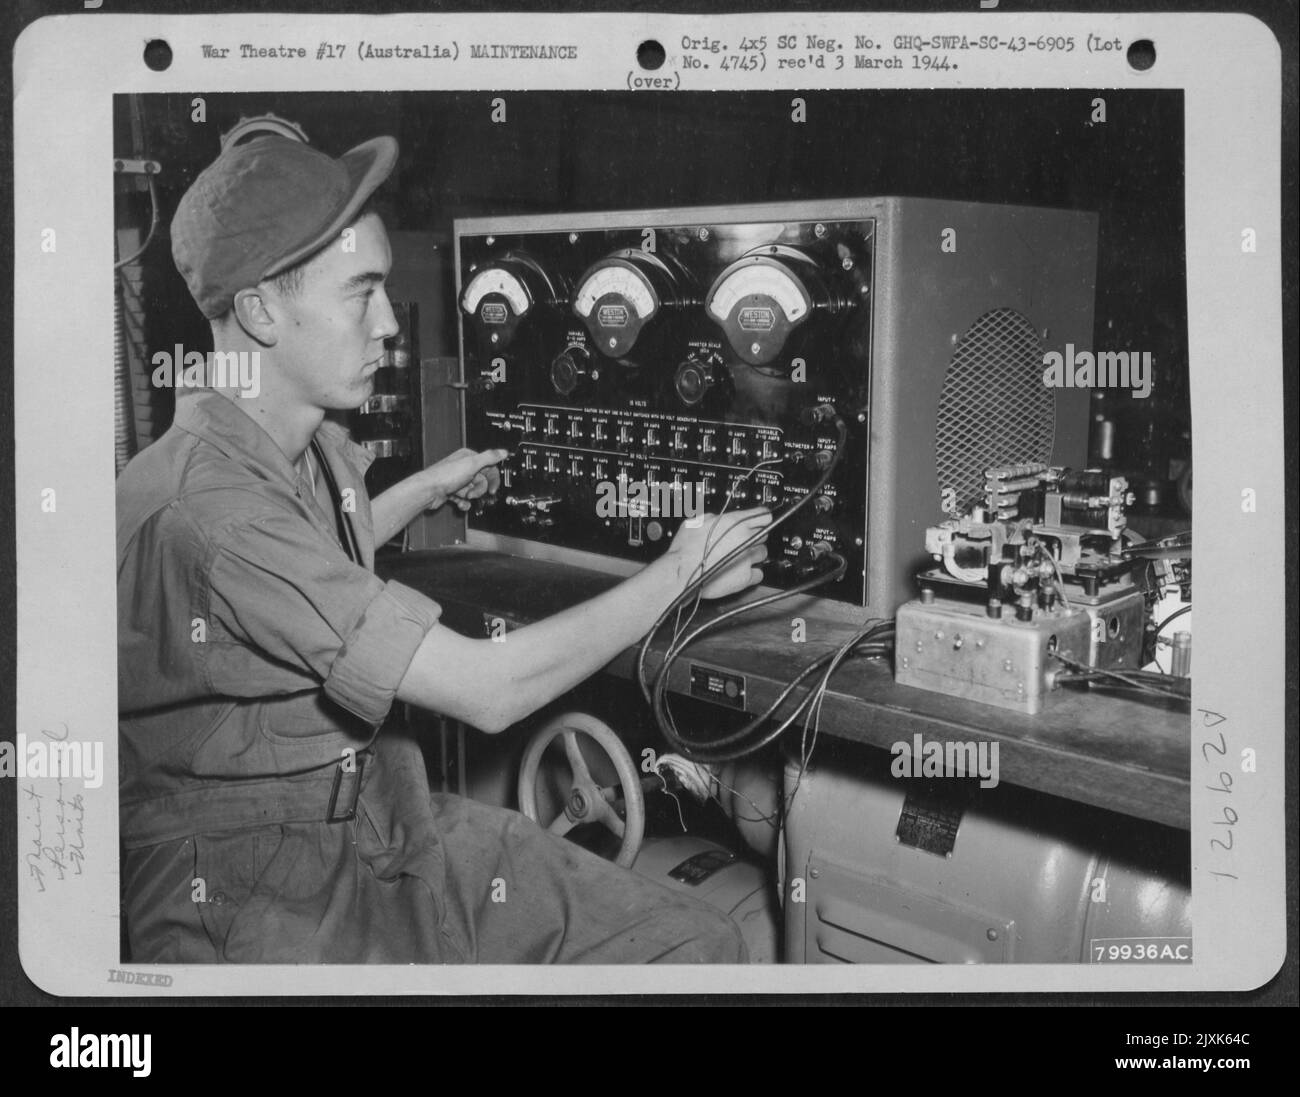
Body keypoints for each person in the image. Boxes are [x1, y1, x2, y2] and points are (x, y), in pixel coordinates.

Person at [116, 125, 772, 964]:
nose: (390, 322)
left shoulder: (274, 445)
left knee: (698, 941)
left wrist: (425, 489)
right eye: (362, 293)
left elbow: (303, 570)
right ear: (259, 310)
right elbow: (487, 688)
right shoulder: (212, 512)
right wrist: (680, 570)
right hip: (250, 885)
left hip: (373, 813)